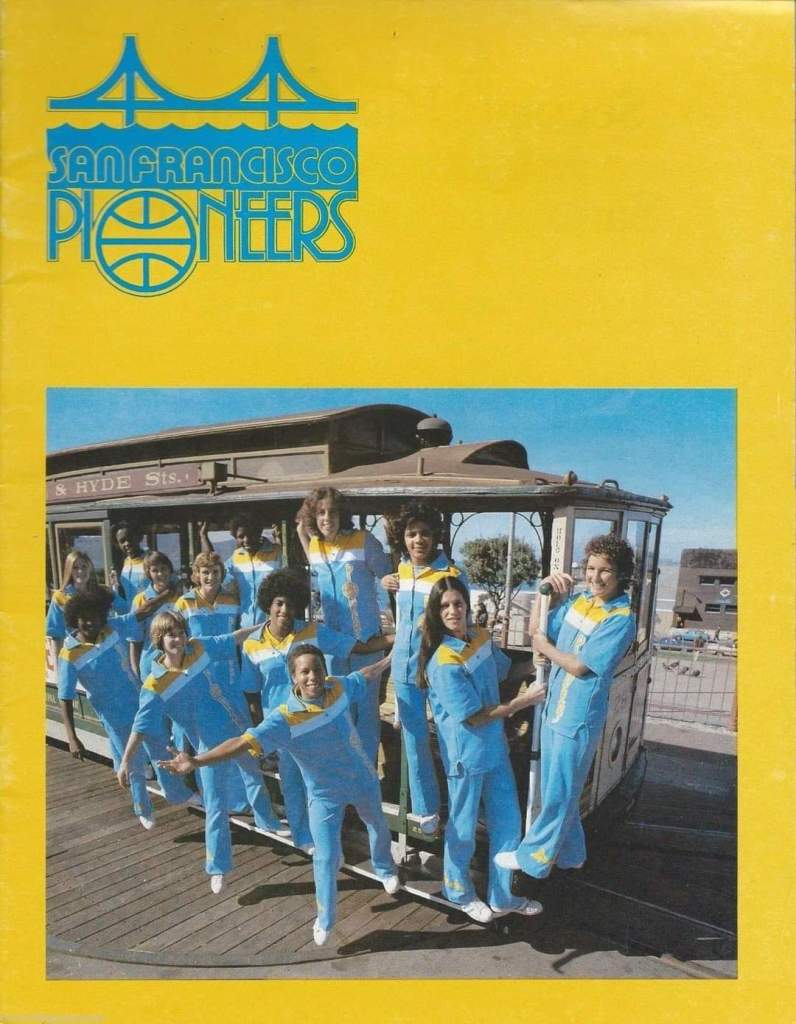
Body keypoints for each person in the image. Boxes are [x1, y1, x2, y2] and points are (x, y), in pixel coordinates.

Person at [159, 643, 400, 947]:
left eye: (317, 669)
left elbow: (363, 675)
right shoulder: (283, 720)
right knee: (325, 858)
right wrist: (197, 761)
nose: (313, 677)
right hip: (324, 795)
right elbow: (241, 742)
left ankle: (385, 868)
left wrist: (389, 659)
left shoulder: (337, 688)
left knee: (378, 825)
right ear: (294, 678)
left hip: (362, 779)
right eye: (305, 671)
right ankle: (324, 919)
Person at [495, 534, 636, 878]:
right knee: (558, 785)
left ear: (621, 575)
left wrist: (544, 644)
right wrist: (547, 594)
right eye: (591, 568)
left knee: (559, 790)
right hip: (556, 705)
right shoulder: (580, 601)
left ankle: (534, 859)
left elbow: (580, 666)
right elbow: (536, 630)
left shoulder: (620, 617)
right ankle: (572, 853)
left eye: (605, 570)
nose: (596, 577)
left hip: (578, 715)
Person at [117, 611, 284, 893]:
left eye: (181, 632)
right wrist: (125, 761)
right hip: (207, 749)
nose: (179, 639)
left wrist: (265, 625)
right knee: (216, 807)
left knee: (253, 776)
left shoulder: (198, 648)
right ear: (159, 639)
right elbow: (140, 726)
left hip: (236, 730)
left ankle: (267, 821)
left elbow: (232, 638)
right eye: (171, 634)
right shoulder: (155, 685)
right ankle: (217, 867)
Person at [419, 576, 545, 922]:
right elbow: (473, 717)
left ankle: (503, 896)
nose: (452, 610)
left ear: (467, 605)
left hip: (494, 749)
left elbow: (508, 670)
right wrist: (524, 701)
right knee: (462, 827)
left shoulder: (480, 638)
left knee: (508, 821)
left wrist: (544, 658)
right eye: (444, 606)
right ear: (435, 612)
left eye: (457, 603)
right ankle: (458, 892)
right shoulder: (442, 662)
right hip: (466, 754)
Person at [240, 568, 392, 853]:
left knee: (321, 785)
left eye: (290, 604)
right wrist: (263, 731)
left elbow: (354, 647)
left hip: (317, 723)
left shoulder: (311, 631)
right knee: (292, 784)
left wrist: (396, 639)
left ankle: (326, 837)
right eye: (278, 604)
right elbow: (251, 690)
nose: (285, 610)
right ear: (268, 606)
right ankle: (303, 837)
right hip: (283, 725)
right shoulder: (251, 644)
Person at [58, 590, 194, 828]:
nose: (90, 622)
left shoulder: (112, 627)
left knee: (161, 747)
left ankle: (177, 793)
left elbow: (142, 611)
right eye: (84, 618)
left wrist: (166, 594)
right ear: (74, 619)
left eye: (95, 616)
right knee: (133, 762)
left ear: (103, 616)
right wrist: (72, 737)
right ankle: (143, 808)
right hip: (113, 715)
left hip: (140, 702)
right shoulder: (68, 653)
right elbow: (65, 698)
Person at [382, 500, 468, 835]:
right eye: (412, 534)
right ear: (402, 538)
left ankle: (461, 808)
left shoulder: (451, 574)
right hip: (403, 672)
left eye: (425, 534)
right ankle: (426, 810)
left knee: (450, 740)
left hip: (437, 669)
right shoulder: (401, 570)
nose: (418, 540)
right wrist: (383, 584)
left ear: (436, 537)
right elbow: (401, 618)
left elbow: (462, 623)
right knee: (414, 742)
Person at [296, 487, 392, 763]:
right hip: (333, 646)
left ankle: (366, 772)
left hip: (366, 642)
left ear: (342, 514)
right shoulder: (315, 546)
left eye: (333, 512)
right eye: (321, 513)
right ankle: (344, 769)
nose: (327, 518)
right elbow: (307, 542)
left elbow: (389, 576)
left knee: (366, 711)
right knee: (337, 707)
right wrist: (302, 531)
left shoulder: (364, 541)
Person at [199, 516, 282, 627]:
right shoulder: (236, 557)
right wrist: (204, 537)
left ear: (259, 532)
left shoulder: (277, 553)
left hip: (271, 626)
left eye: (251, 534)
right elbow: (212, 565)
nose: (246, 540)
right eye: (241, 536)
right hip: (244, 627)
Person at [46, 549, 126, 657]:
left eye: (84, 567)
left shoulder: (103, 592)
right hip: (76, 656)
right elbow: (56, 635)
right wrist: (59, 667)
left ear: (90, 569)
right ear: (69, 570)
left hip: (105, 653)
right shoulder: (60, 597)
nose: (80, 571)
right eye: (75, 568)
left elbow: (125, 610)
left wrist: (116, 589)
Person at [129, 551, 182, 681]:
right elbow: (135, 641)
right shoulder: (140, 600)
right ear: (148, 573)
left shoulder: (181, 598)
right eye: (155, 570)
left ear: (170, 570)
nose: (160, 574)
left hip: (178, 665)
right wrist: (136, 671)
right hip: (150, 666)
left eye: (163, 569)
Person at [113, 521, 149, 611]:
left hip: (150, 617)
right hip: (131, 618)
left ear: (139, 537)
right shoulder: (123, 564)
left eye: (130, 538)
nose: (127, 543)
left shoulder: (152, 560)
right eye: (122, 541)